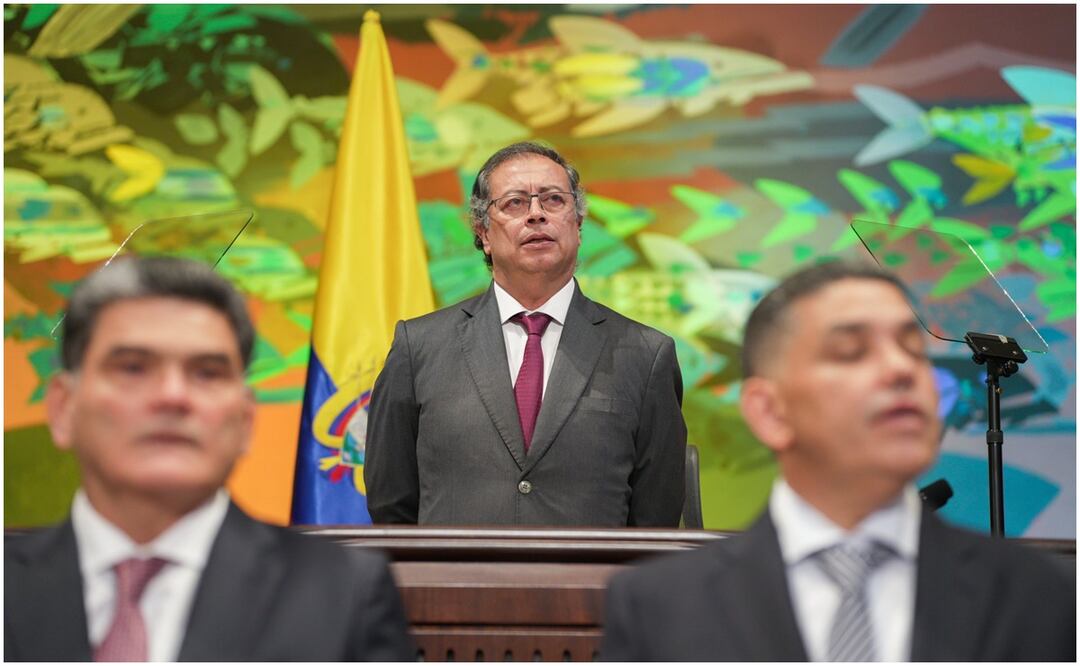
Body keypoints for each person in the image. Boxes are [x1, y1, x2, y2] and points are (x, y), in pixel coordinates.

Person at [600, 261, 1075, 661]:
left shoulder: (1038, 596)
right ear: (769, 410)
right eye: (852, 351)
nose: (900, 370)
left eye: (913, 349)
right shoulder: (662, 608)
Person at [5, 257, 415, 661]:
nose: (172, 396)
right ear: (63, 408)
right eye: (132, 368)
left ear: (245, 420)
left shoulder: (343, 594)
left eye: (206, 373)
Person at [365, 141, 687, 526]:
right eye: (515, 203)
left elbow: (656, 518)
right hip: (456, 585)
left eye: (553, 200)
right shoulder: (418, 348)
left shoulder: (645, 355)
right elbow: (391, 507)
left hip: (591, 586)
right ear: (483, 232)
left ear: (578, 225)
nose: (536, 214)